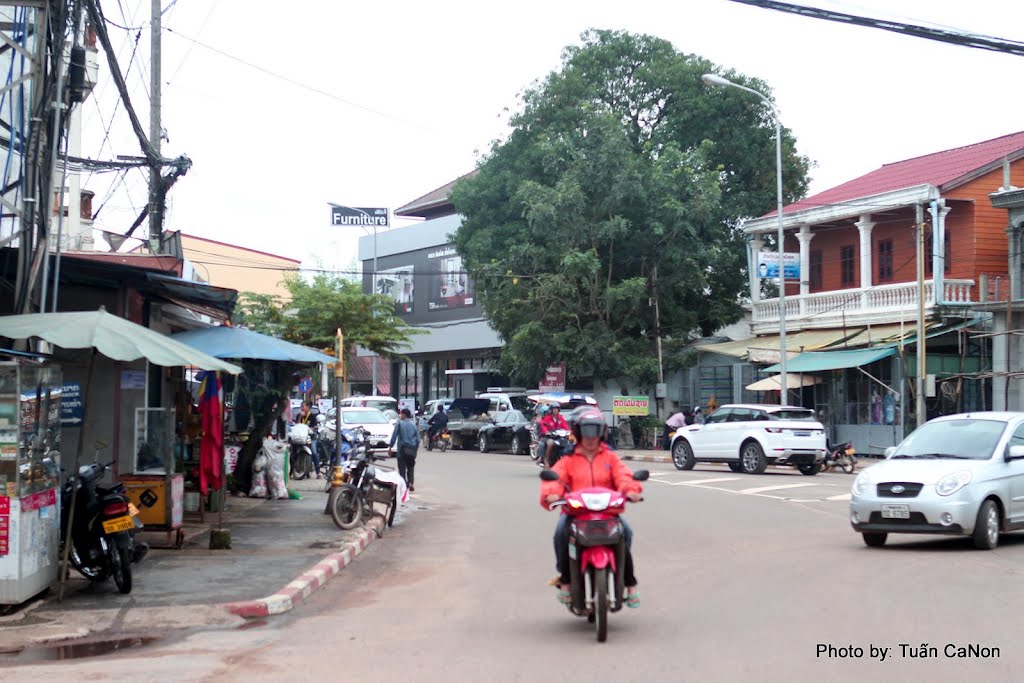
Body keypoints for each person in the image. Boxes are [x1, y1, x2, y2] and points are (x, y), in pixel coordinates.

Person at [540, 407, 643, 608]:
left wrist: (631, 490)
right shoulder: (568, 459)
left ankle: (629, 584)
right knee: (561, 533)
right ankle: (566, 580)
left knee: (626, 533)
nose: (590, 437)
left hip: (607, 513)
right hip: (575, 513)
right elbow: (556, 480)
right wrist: (552, 494)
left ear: (601, 432)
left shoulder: (610, 458)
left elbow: (624, 477)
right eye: (586, 431)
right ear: (578, 432)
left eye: (594, 431)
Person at [389, 408, 420, 492]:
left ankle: (403, 485)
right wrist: (415, 450)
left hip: (402, 450)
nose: (400, 416)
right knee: (410, 467)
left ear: (404, 415)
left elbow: (394, 436)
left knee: (402, 469)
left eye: (401, 414)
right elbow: (418, 440)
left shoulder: (400, 424)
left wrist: (390, 447)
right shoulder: (414, 425)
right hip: (412, 450)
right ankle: (410, 483)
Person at [538, 403, 570, 467]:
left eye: (557, 409)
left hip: (559, 437)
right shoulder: (547, 418)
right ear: (551, 410)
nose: (555, 411)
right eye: (554, 409)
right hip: (549, 437)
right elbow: (543, 426)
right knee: (550, 443)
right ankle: (546, 460)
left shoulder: (560, 418)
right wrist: (546, 432)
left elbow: (565, 426)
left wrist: (568, 431)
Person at [296, 401, 322, 477]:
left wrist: (310, 429)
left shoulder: (312, 417)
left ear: (308, 407)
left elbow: (314, 427)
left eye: (303, 406)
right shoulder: (299, 415)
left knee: (314, 452)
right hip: (301, 437)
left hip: (311, 437)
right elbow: (297, 425)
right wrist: (300, 417)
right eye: (301, 407)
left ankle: (318, 472)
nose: (302, 408)